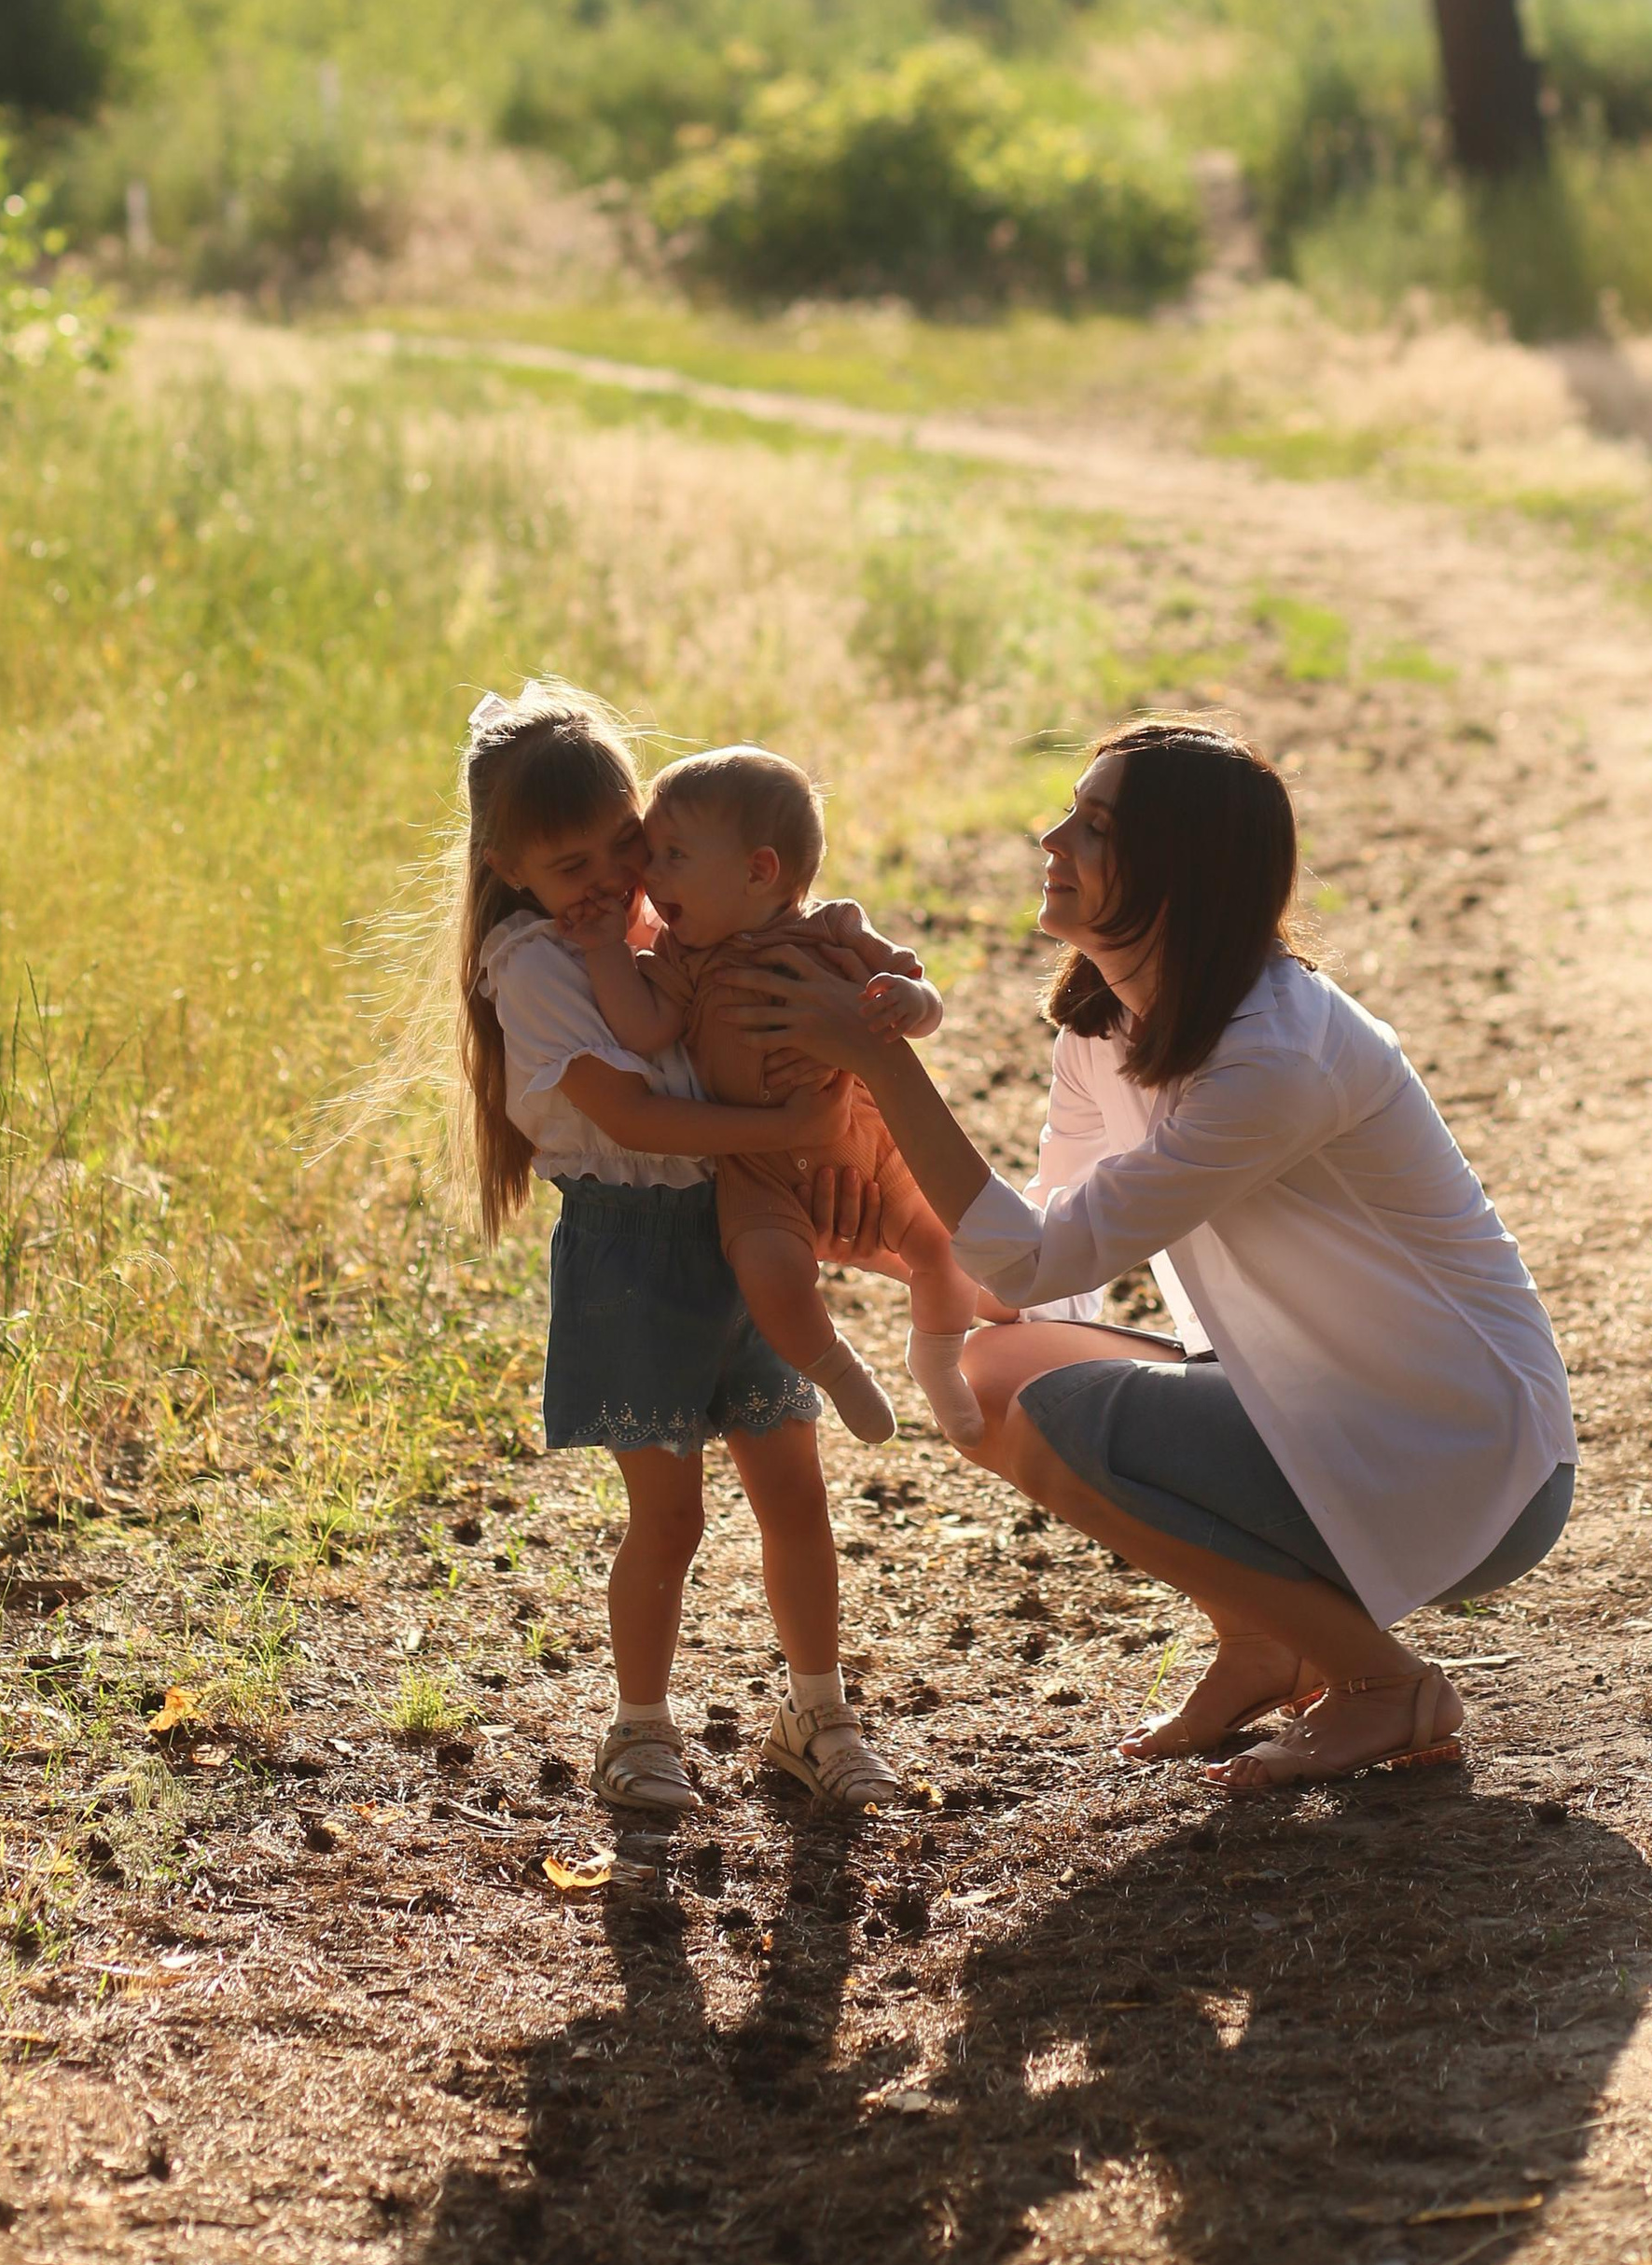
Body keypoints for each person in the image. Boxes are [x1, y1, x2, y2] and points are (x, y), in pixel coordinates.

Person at [730, 720, 1577, 1791]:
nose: (1049, 839)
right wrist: (902, 1247)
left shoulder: (1271, 1058)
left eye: (1092, 827)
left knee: (1058, 1419)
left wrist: (879, 1063)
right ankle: (1267, 1644)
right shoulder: (1103, 1024)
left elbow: (1038, 1262)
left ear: (1179, 874)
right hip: (1320, 1408)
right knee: (991, 1378)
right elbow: (1037, 1275)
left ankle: (1386, 1686)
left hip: (1467, 1454)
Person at [449, 680, 907, 1813]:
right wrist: (787, 1129)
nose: (612, 882)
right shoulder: (535, 968)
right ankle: (639, 1730)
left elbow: (762, 960)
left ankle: (816, 1713)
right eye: (573, 869)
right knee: (672, 1514)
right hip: (632, 1255)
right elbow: (633, 1117)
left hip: (729, 1224)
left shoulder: (663, 924)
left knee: (794, 1491)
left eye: (626, 846)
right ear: (511, 869)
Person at [563, 743, 1009, 1448]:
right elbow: (644, 1029)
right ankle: (836, 1369)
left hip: (864, 1139)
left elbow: (918, 993)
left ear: (758, 870)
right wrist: (603, 951)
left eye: (672, 855)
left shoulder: (833, 929)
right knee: (768, 1273)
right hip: (758, 1166)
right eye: (650, 854)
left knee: (943, 1247)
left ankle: (937, 1357)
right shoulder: (684, 958)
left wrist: (911, 1000)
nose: (648, 874)